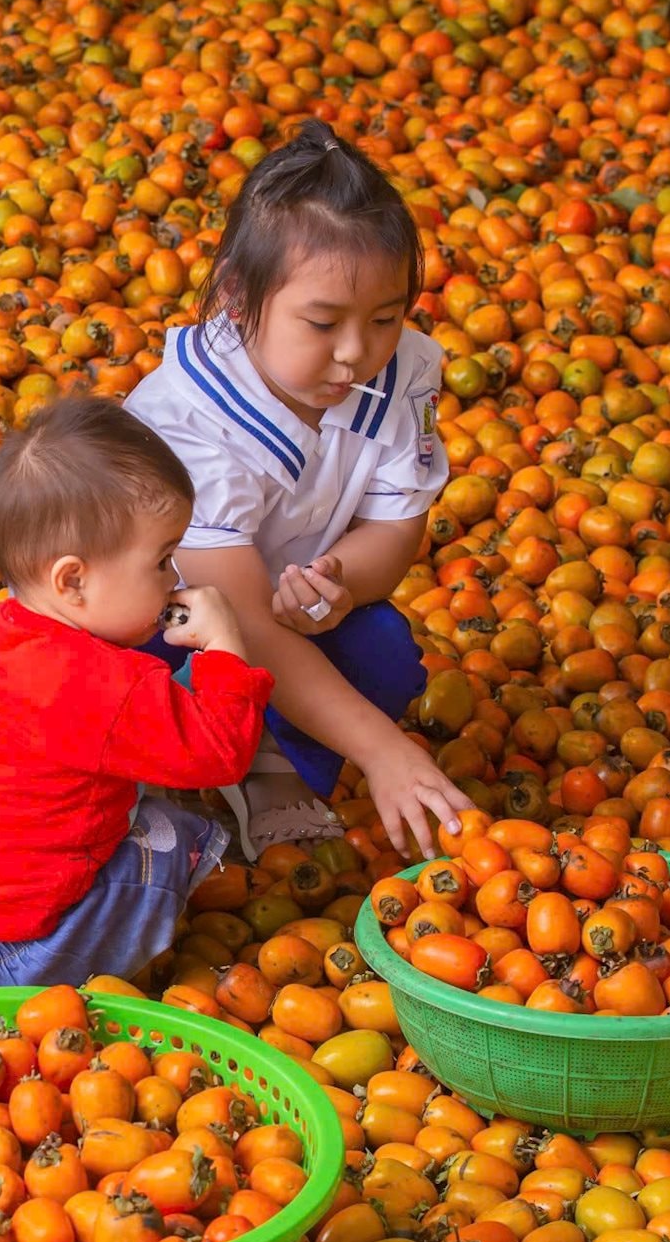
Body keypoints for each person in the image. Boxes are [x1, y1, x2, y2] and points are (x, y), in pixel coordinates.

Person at [126, 121, 473, 861]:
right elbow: (240, 619)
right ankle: (152, 774)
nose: (357, 351)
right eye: (323, 323)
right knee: (117, 675)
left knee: (383, 649)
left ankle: (274, 762)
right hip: (162, 620)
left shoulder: (404, 373)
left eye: (385, 318)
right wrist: (385, 753)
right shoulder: (187, 417)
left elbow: (395, 529)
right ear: (238, 298)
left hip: (278, 622)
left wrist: (337, 581)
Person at [0, 396, 273, 986]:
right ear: (72, 580)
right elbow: (220, 753)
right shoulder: (106, 688)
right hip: (18, 951)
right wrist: (224, 646)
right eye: (162, 560)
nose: (175, 580)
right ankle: (108, 971)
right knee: (170, 833)